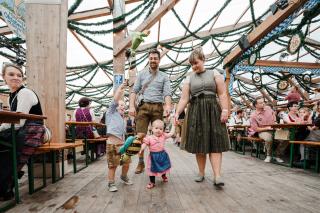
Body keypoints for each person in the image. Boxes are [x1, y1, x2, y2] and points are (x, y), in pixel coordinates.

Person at [175, 48, 230, 187]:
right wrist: (177, 113)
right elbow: (183, 99)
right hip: (196, 110)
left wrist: (225, 110)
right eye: (191, 64)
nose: (194, 66)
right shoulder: (189, 78)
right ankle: (201, 173)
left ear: (203, 60)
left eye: (196, 62)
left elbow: (223, 94)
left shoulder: (214, 73)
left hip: (213, 109)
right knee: (199, 143)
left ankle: (217, 176)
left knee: (215, 142)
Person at [0, 63, 45, 200]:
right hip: (23, 130)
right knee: (7, 147)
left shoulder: (25, 93)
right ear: (3, 77)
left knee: (12, 149)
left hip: (34, 130)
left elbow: (19, 122)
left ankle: (7, 184)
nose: (16, 78)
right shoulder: (11, 96)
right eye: (11, 74)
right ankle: (6, 184)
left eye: (19, 75)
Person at [129, 48, 172, 174]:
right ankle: (140, 162)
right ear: (149, 59)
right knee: (140, 136)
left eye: (155, 58)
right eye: (151, 58)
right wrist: (131, 106)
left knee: (158, 135)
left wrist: (168, 106)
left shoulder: (164, 76)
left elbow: (167, 93)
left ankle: (156, 163)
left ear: (159, 60)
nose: (153, 60)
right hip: (143, 107)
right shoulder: (141, 74)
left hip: (158, 107)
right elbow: (134, 91)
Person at [106, 84, 133, 192]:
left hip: (122, 145)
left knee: (127, 163)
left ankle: (123, 176)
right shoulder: (111, 113)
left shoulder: (123, 119)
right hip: (112, 144)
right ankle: (111, 183)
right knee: (113, 166)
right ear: (115, 107)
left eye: (124, 105)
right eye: (120, 105)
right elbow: (114, 101)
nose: (123, 106)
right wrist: (120, 90)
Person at [139, 119, 175, 189]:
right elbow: (144, 144)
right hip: (153, 156)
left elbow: (171, 133)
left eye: (161, 129)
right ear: (152, 129)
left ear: (163, 130)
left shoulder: (163, 136)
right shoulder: (149, 138)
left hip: (162, 155)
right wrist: (141, 149)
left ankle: (163, 175)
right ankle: (152, 182)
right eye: (156, 128)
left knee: (163, 166)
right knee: (151, 169)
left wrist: (173, 125)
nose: (158, 130)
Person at [249, 97, 281, 163]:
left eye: (263, 102)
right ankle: (268, 155)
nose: (263, 104)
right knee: (268, 138)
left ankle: (276, 155)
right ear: (256, 105)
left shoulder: (268, 108)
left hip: (274, 128)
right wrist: (267, 128)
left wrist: (275, 122)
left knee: (285, 138)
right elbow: (256, 129)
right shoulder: (253, 115)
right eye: (261, 103)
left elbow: (273, 115)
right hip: (262, 131)